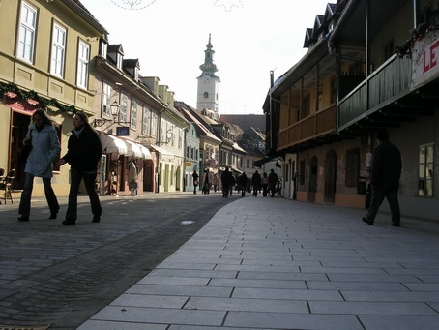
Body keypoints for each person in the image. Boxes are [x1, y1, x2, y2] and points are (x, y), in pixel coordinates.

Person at [56, 112, 102, 225]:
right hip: (76, 167)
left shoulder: (93, 135)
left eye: (76, 119)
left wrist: (91, 164)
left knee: (91, 191)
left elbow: (98, 153)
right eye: (74, 119)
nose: (74, 121)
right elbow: (71, 153)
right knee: (73, 192)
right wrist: (64, 160)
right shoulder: (73, 136)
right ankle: (70, 218)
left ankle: (97, 213)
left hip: (89, 168)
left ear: (83, 121)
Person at [17, 109, 61, 222]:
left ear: (44, 119)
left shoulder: (50, 130)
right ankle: (24, 214)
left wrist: (49, 159)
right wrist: (26, 141)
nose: (38, 122)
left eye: (40, 119)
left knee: (47, 188)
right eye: (36, 119)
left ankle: (54, 209)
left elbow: (56, 147)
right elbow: (26, 142)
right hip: (31, 160)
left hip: (44, 161)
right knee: (27, 187)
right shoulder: (31, 128)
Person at [362, 131, 402, 226]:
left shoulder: (379, 149)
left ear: (379, 140)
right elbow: (399, 165)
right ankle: (396, 221)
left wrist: (373, 180)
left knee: (375, 202)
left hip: (381, 182)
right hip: (393, 182)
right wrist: (397, 177)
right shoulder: (394, 148)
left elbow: (376, 166)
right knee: (394, 203)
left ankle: (369, 218)